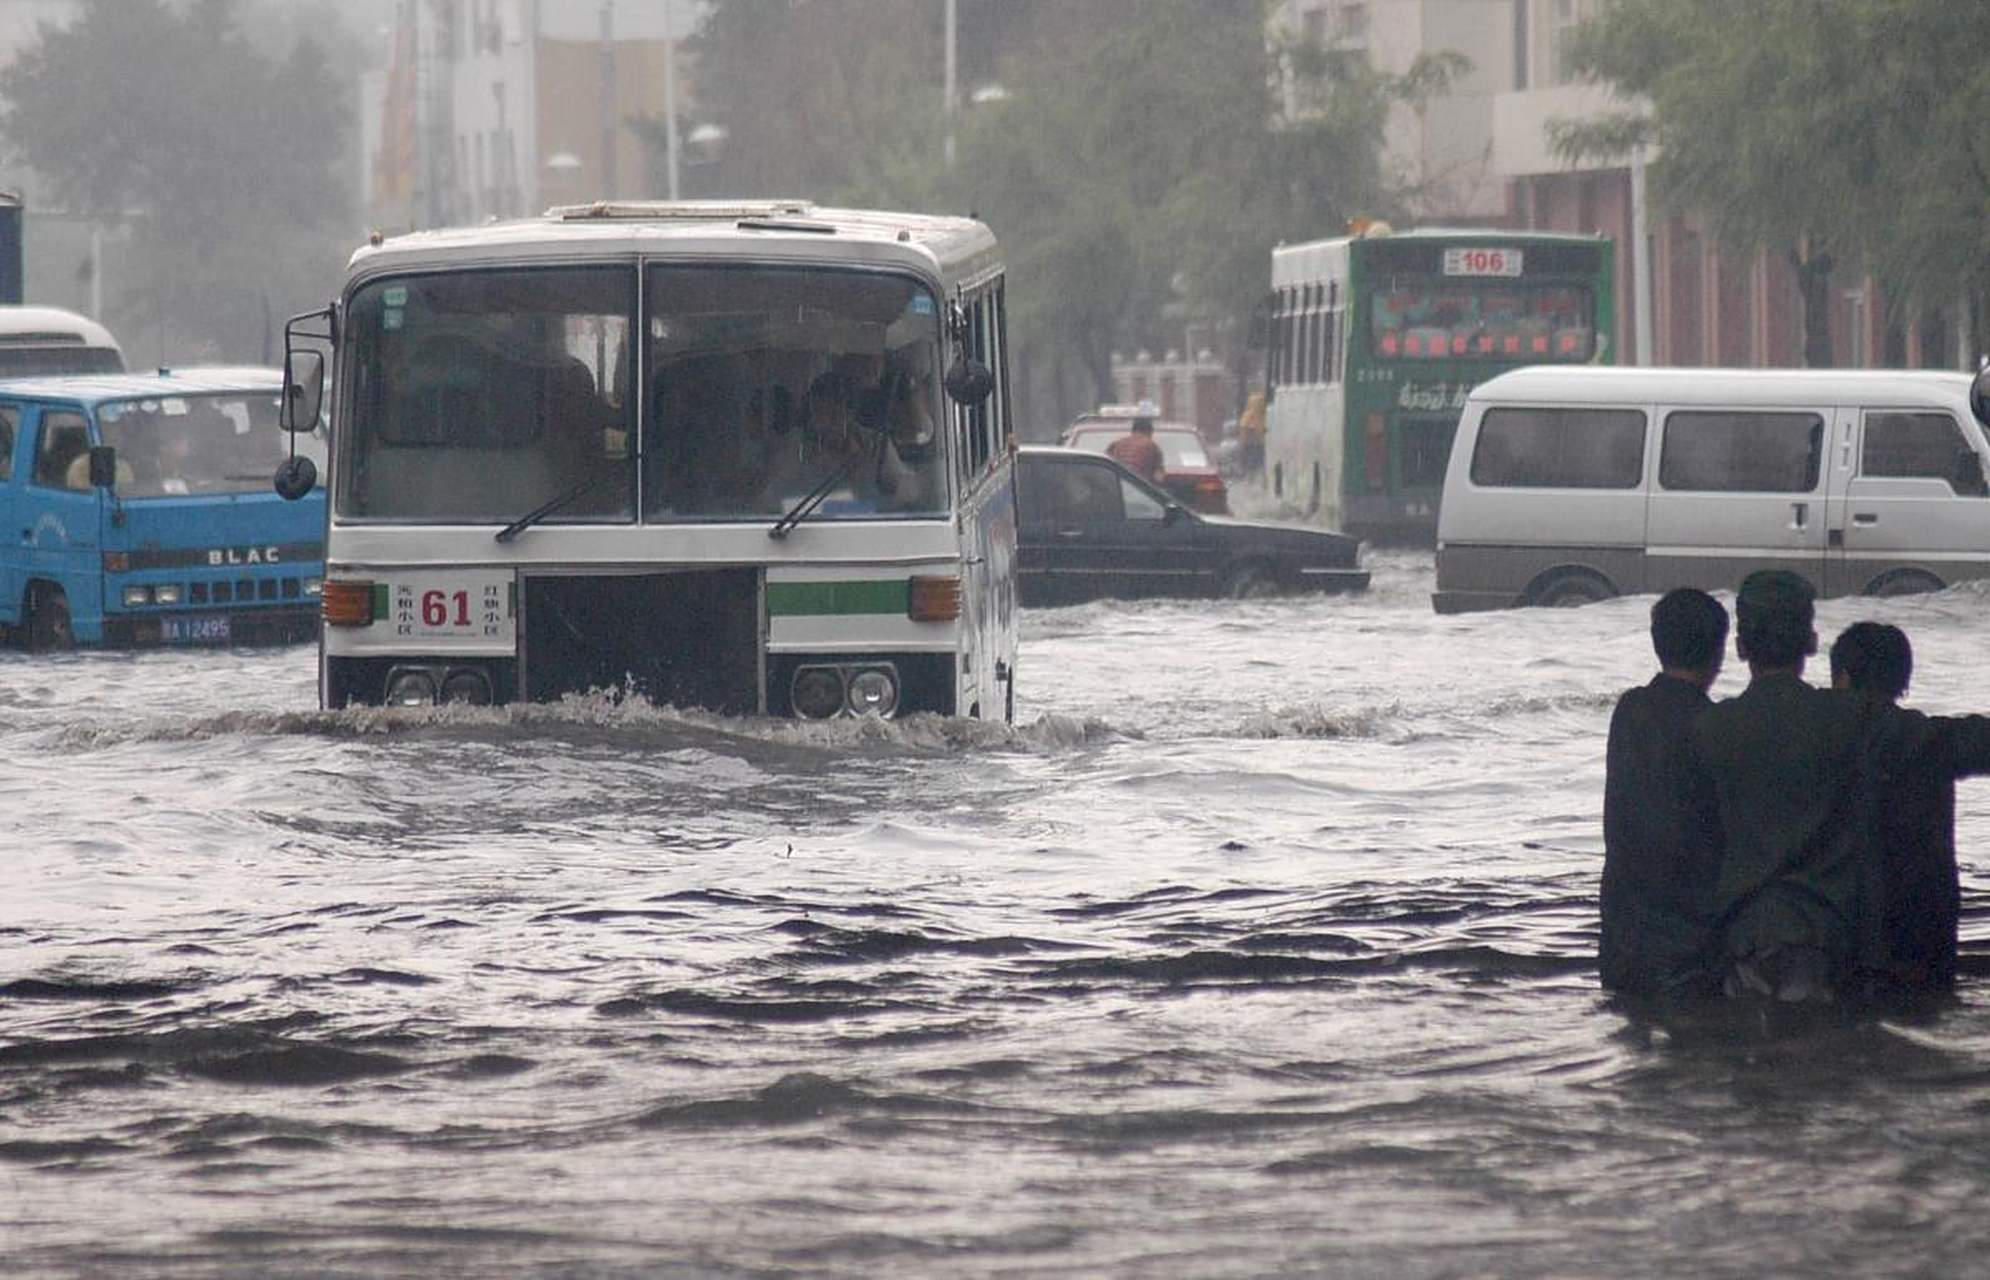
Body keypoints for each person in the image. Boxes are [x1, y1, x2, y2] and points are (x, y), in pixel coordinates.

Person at [1686, 570, 1882, 1005]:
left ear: (1739, 647)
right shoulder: (1852, 719)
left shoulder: (1710, 728)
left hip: (1744, 937)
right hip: (1825, 934)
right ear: (1812, 643)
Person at [1830, 621, 1990, 993]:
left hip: (1843, 935)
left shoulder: (1812, 738)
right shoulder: (1934, 740)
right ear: (1904, 680)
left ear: (1842, 677)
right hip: (1923, 934)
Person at [1600, 588, 1727, 1000]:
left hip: (1623, 931)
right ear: (1719, 653)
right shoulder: (1715, 725)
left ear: (1657, 644)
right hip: (1689, 939)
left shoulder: (1629, 711)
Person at [1105, 414, 1165, 486]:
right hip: (1139, 486)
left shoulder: (1116, 444)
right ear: (1149, 432)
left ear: (1132, 431)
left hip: (1119, 485)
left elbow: (1106, 465)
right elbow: (1158, 477)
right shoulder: (1152, 446)